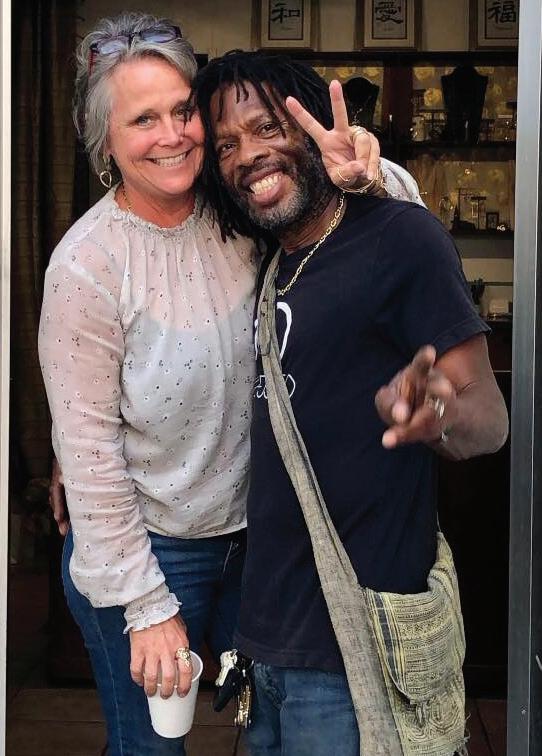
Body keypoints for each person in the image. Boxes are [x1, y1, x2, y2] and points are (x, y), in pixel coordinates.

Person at [39, 13, 419, 756]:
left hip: (261, 540)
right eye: (143, 120)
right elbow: (88, 451)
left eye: (183, 111)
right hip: (148, 549)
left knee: (270, 732)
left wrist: (370, 175)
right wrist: (147, 607)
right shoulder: (86, 266)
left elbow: (374, 223)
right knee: (152, 747)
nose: (173, 135)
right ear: (104, 143)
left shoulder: (238, 212)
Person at [192, 50, 509, 755]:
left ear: (313, 130)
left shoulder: (401, 238)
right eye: (227, 144)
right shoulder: (268, 261)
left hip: (357, 649)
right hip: (264, 641)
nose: (248, 154)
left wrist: (437, 417)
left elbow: (490, 423)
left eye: (267, 127)